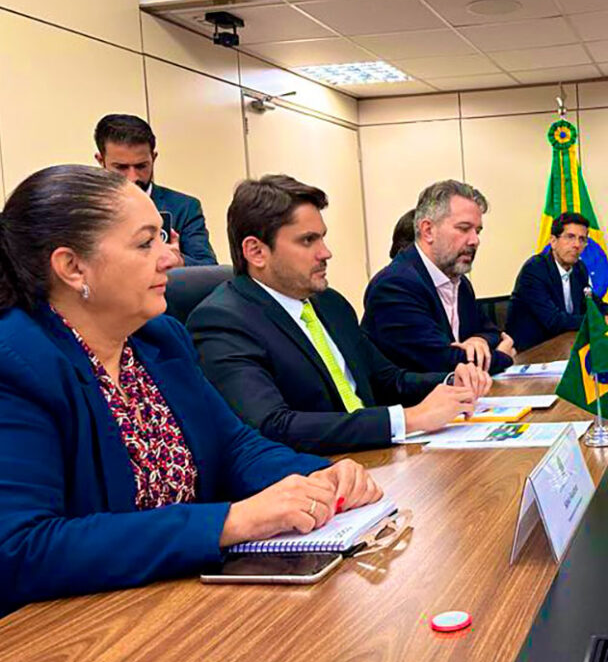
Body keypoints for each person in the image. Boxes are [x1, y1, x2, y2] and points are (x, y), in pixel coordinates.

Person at [0, 165, 382, 615]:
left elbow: (235, 447)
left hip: (183, 604)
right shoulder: (16, 362)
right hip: (79, 628)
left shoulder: (159, 338)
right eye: (145, 243)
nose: (170, 258)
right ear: (71, 266)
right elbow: (21, 548)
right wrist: (228, 522)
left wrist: (318, 477)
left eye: (162, 238)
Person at [187, 175, 491, 455]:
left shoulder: (330, 304)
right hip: (317, 474)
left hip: (379, 458)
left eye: (322, 237)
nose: (326, 252)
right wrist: (407, 419)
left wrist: (450, 381)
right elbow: (273, 426)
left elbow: (386, 379)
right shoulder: (223, 321)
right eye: (308, 240)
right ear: (256, 252)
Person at [362, 180, 516, 374]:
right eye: (464, 228)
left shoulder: (460, 283)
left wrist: (479, 340)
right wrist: (503, 357)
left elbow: (493, 333)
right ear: (428, 231)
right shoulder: (394, 285)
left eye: (477, 231)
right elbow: (442, 362)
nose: (475, 241)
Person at [94, 114, 218, 267]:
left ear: (153, 158)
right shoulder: (84, 210)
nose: (133, 177)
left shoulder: (184, 208)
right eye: (121, 167)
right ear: (101, 160)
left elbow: (208, 267)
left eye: (141, 166)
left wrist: (178, 262)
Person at [505, 212, 608, 351]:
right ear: (553, 241)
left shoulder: (579, 269)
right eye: (570, 237)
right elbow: (554, 321)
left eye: (582, 239)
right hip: (532, 352)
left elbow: (593, 303)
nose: (577, 245)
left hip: (565, 345)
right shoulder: (534, 269)